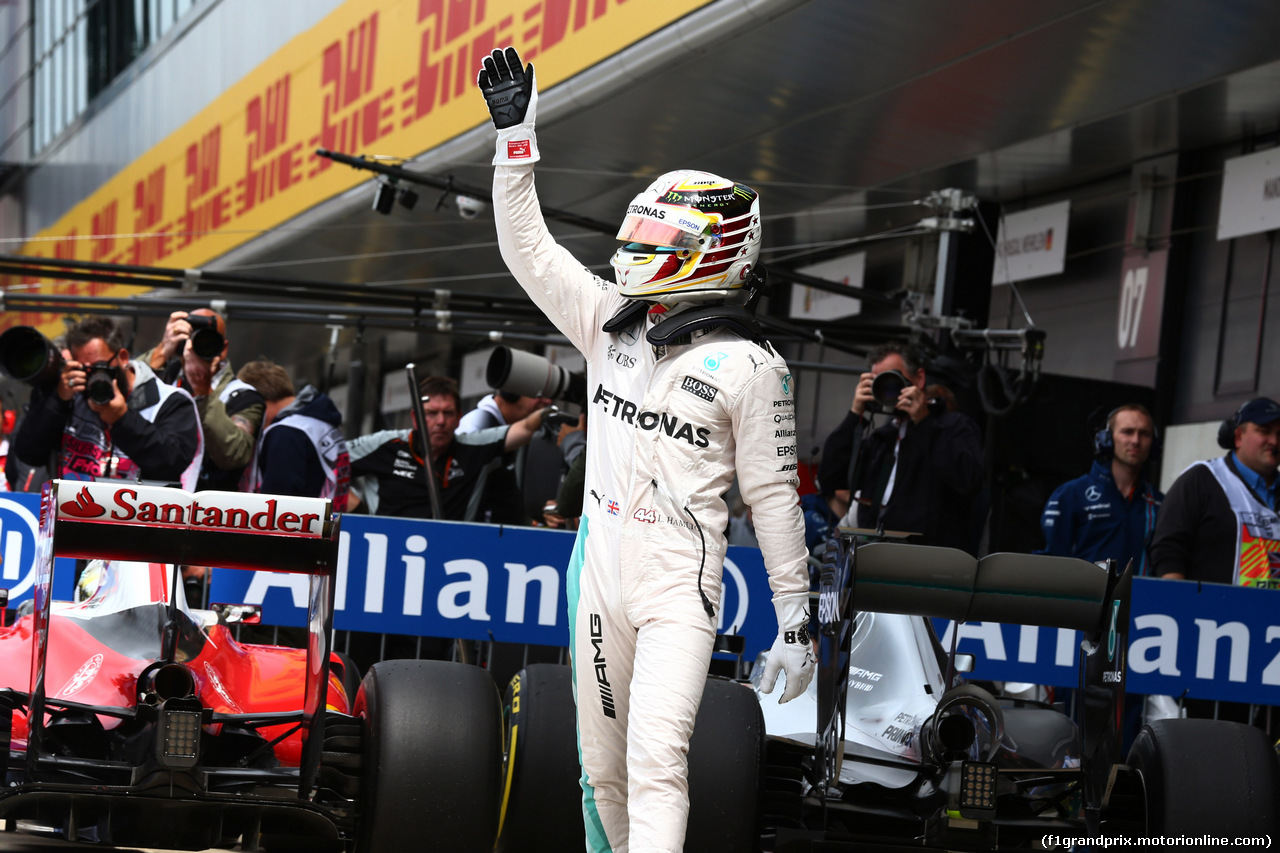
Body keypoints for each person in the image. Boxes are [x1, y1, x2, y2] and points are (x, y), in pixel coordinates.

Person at [478, 47, 815, 853]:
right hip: (600, 562)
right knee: (602, 774)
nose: (640, 242)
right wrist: (514, 139)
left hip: (678, 581)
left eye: (661, 232)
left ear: (715, 248)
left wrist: (797, 621)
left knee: (657, 758)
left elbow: (775, 501)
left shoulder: (753, 366)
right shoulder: (606, 323)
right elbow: (527, 249)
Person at [819, 342, 984, 553]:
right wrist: (854, 415)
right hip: (872, 553)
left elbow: (969, 479)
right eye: (878, 381)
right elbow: (830, 479)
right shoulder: (883, 437)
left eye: (893, 379)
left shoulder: (954, 426)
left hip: (929, 558)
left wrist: (923, 421)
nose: (888, 388)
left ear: (919, 378)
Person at [13, 316, 202, 489]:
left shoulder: (168, 401)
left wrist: (123, 419)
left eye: (100, 367)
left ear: (123, 358)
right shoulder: (69, 394)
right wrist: (57, 402)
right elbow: (28, 454)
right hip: (69, 518)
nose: (94, 376)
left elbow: (172, 464)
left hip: (132, 520)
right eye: (85, 369)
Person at [347, 375, 548, 521]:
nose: (441, 421)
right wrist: (359, 512)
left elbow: (526, 428)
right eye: (432, 413)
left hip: (451, 559)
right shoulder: (386, 444)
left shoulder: (474, 446)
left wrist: (548, 411)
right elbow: (327, 461)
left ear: (459, 416)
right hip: (384, 551)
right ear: (415, 418)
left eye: (448, 413)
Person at [1150, 397, 1280, 586]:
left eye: (1279, 434)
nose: (1274, 441)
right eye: (1264, 431)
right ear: (1238, 437)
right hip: (1210, 614)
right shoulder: (1202, 480)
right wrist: (1178, 604)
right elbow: (1168, 550)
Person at [140, 309, 265, 491]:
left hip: (208, 509)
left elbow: (234, 454)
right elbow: (123, 393)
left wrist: (203, 392)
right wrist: (162, 351)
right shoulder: (165, 375)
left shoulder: (244, 397)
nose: (198, 345)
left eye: (208, 339)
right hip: (152, 497)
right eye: (191, 337)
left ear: (223, 349)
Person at [1039, 404, 1163, 573]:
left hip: (1138, 598)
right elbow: (1051, 564)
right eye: (1127, 432)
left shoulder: (1159, 502)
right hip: (1083, 597)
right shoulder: (1071, 494)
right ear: (1107, 439)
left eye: (1144, 434)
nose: (1135, 440)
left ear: (1153, 443)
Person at [237, 360, 349, 510]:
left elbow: (276, 505)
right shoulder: (319, 421)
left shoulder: (286, 433)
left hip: (303, 527)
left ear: (256, 401)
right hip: (328, 523)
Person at [456, 388, 551, 525]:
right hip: (480, 537)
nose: (547, 401)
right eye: (539, 395)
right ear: (510, 392)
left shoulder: (526, 427)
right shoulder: (476, 425)